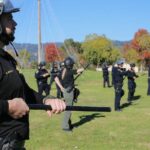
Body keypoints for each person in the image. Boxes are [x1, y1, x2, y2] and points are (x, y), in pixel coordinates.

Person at [0, 1, 66, 149]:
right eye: (9, 18)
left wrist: (46, 100)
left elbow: (24, 91)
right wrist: (7, 106)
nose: (15, 23)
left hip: (13, 142)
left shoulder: (7, 59)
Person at [55, 57, 84, 131]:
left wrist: (61, 87)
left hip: (65, 92)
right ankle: (65, 126)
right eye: (72, 64)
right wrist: (81, 67)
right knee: (68, 110)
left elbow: (56, 78)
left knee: (68, 108)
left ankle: (69, 124)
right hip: (69, 92)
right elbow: (80, 70)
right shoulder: (69, 71)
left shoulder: (63, 70)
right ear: (70, 65)